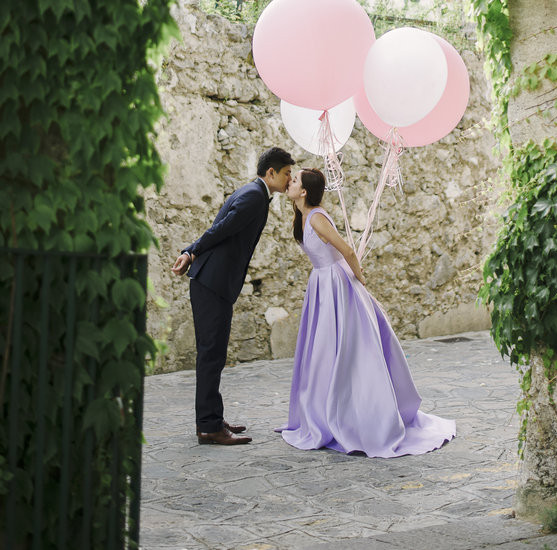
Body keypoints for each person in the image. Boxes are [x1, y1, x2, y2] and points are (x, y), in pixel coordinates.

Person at [277, 168, 456, 457]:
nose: (289, 182)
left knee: (347, 350)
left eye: (294, 180)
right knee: (323, 351)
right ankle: (322, 410)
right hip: (322, 284)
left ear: (305, 191)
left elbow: (347, 250)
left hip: (337, 284)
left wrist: (358, 278)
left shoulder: (317, 218)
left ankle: (360, 416)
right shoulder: (302, 217)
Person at [172, 146, 294, 445]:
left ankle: (212, 417)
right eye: (287, 173)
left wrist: (191, 251)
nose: (291, 179)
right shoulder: (253, 197)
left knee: (213, 354)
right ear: (271, 173)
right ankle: (209, 427)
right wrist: (191, 251)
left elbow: (219, 231)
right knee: (211, 354)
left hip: (213, 282)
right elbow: (220, 230)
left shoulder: (252, 193)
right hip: (212, 283)